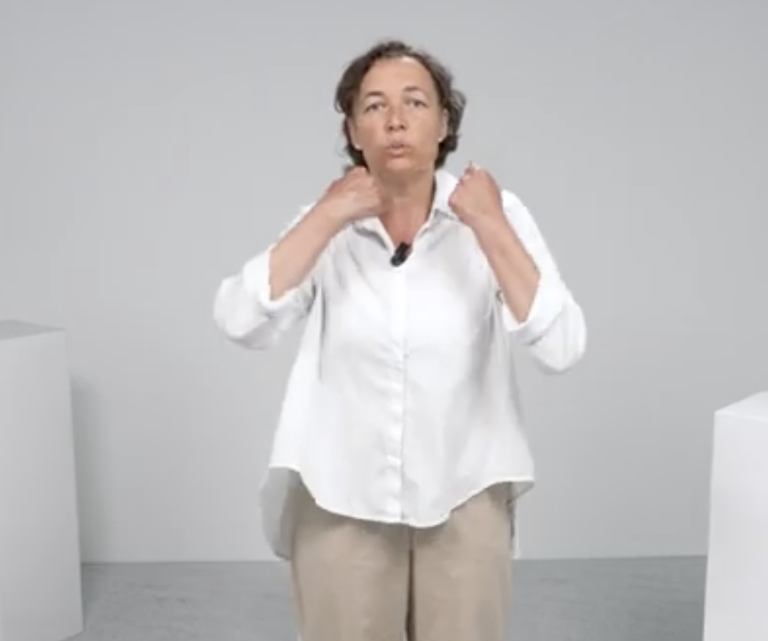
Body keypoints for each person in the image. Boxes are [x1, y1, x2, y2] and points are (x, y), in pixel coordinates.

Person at [212, 38, 587, 641]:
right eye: (374, 105)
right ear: (352, 131)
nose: (394, 120)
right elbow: (241, 319)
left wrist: (488, 223)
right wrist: (326, 216)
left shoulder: (496, 215)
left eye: (414, 102)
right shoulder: (328, 222)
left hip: (466, 487)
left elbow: (561, 345)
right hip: (338, 492)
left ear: (444, 124)